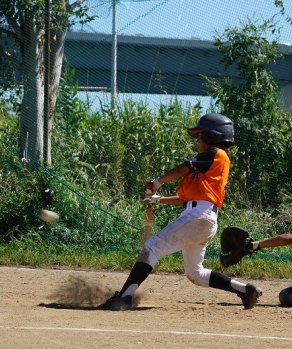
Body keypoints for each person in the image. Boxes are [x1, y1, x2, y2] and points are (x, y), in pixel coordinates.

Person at [99, 113, 262, 311]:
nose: (197, 141)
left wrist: (158, 182)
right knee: (196, 274)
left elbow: (182, 169)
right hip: (201, 218)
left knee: (151, 249)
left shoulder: (216, 154)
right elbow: (188, 200)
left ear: (213, 136)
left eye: (200, 136)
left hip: (198, 218)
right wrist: (159, 200)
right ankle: (245, 290)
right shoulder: (208, 166)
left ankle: (124, 297)